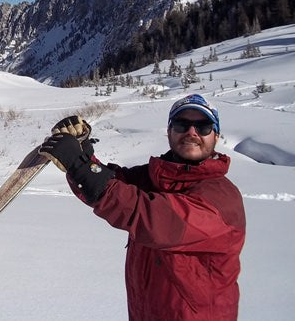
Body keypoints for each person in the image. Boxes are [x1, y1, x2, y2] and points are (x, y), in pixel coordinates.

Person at [39, 94, 246, 321]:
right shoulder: (157, 177)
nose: (191, 132)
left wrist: (80, 165)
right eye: (181, 125)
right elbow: (110, 183)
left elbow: (153, 218)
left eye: (203, 127)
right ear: (169, 132)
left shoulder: (221, 197)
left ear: (216, 136)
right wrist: (83, 153)